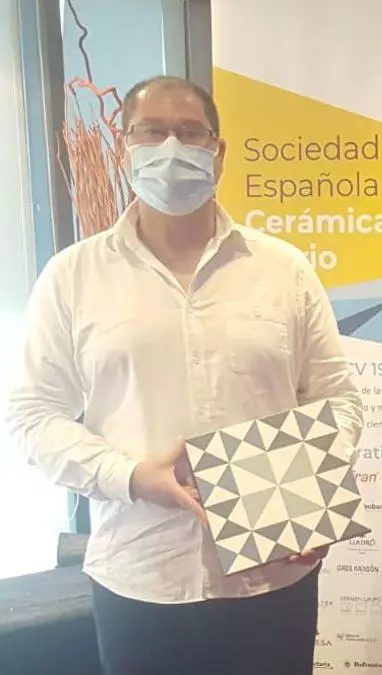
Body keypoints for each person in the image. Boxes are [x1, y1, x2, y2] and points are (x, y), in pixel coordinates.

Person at [4, 76, 363, 675]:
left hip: (273, 574)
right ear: (125, 146)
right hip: (141, 576)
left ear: (218, 151)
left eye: (190, 133)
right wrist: (131, 476)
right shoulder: (73, 277)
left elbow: (337, 400)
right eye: (152, 132)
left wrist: (309, 491)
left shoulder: (284, 270)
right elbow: (31, 415)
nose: (171, 147)